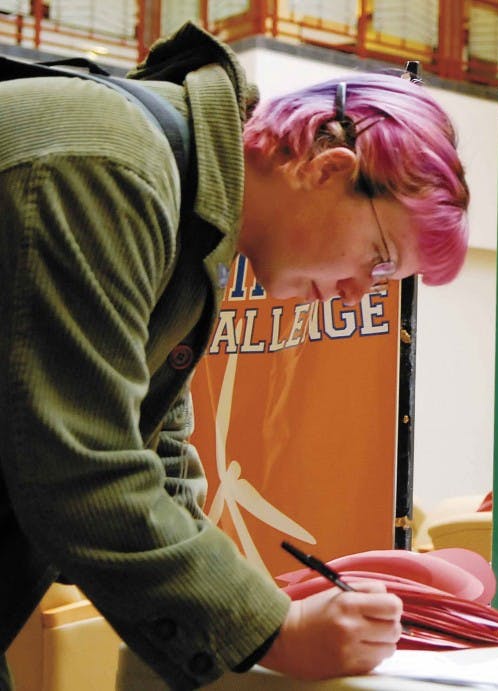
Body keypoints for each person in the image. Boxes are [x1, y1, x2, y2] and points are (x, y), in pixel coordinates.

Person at [0, 19, 469, 691]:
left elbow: (155, 459)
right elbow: (79, 467)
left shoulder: (187, 224)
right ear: (325, 166)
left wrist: (268, 611)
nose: (357, 294)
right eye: (380, 260)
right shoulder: (112, 169)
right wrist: (274, 632)